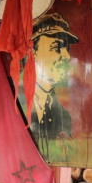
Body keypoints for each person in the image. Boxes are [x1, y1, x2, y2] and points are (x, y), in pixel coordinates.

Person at [28, 12, 79, 161]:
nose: (67, 56)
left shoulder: (63, 115)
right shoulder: (14, 100)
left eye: (66, 48)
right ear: (33, 53)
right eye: (56, 47)